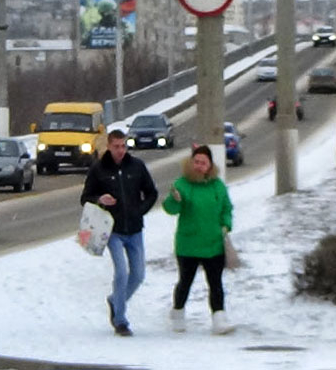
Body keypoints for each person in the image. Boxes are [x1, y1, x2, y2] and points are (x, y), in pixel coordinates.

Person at [80, 129, 158, 337]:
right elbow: (85, 198)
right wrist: (99, 200)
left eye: (123, 146)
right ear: (109, 146)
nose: (120, 150)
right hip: (112, 229)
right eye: (116, 146)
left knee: (139, 274)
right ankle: (120, 320)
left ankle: (115, 300)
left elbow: (152, 192)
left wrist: (140, 210)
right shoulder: (99, 169)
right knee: (121, 272)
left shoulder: (137, 166)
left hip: (134, 229)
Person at [162, 144, 234, 335]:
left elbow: (227, 208)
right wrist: (174, 200)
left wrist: (226, 225)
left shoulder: (217, 185)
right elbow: (170, 209)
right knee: (185, 281)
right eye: (196, 161)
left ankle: (219, 318)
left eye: (203, 162)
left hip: (214, 243)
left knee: (215, 283)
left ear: (210, 165)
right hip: (188, 244)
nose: (199, 165)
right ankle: (178, 312)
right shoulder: (182, 184)